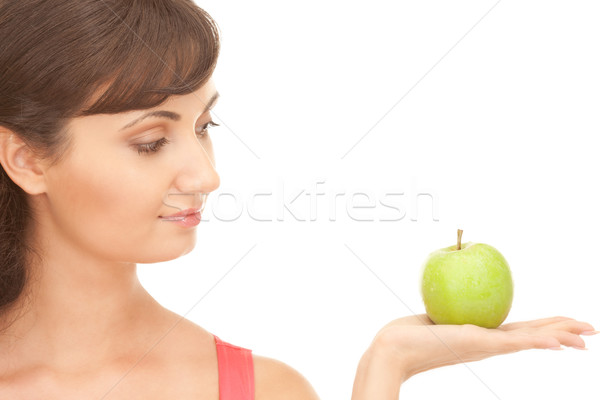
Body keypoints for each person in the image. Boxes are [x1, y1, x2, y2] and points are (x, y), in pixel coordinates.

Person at [0, 1, 595, 399]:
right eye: (152, 142)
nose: (207, 176)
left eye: (205, 127)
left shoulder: (263, 389)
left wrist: (385, 366)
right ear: (27, 159)